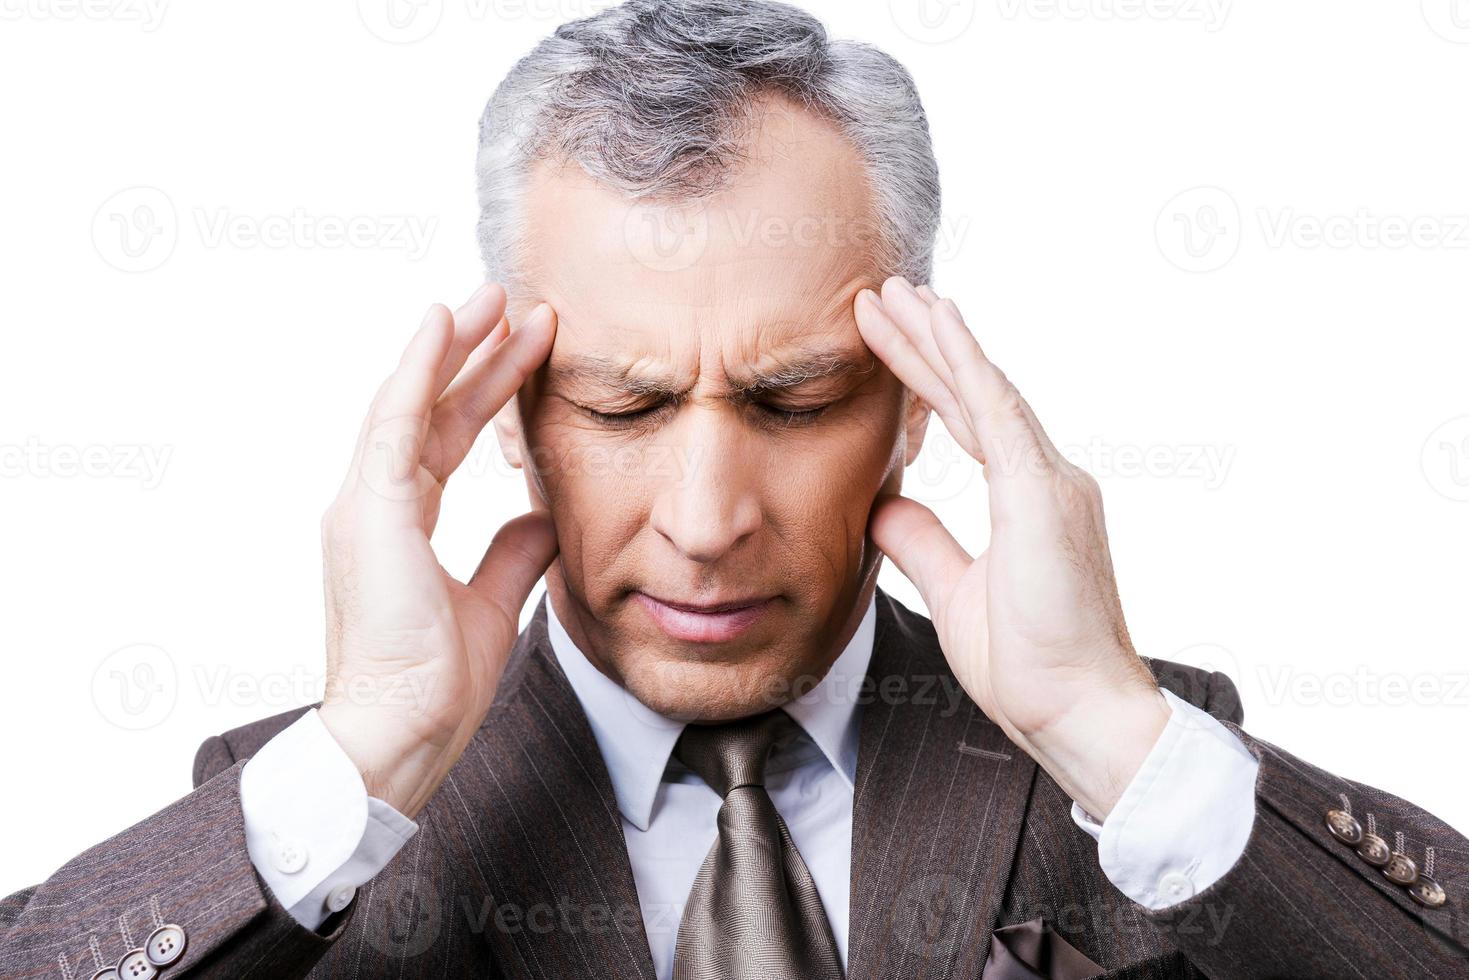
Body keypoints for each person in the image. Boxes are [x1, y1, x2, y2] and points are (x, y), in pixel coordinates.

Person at [4, 2, 1465, 978]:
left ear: (913, 402)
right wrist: (369, 755)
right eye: (620, 403)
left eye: (799, 399)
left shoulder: (1132, 771)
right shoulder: (309, 829)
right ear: (503, 408)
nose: (707, 523)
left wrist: (1105, 732)